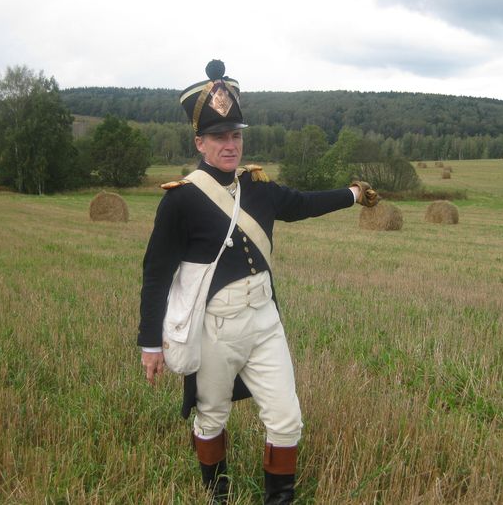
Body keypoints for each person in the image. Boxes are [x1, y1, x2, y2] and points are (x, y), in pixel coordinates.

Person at [138, 60, 379, 504]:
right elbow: (156, 274)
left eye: (235, 135)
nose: (230, 145)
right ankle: (218, 495)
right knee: (211, 417)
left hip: (265, 321)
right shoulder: (182, 201)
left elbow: (304, 204)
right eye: (219, 137)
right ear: (200, 142)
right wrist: (150, 343)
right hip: (215, 329)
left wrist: (353, 195)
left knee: (287, 420)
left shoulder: (259, 187)